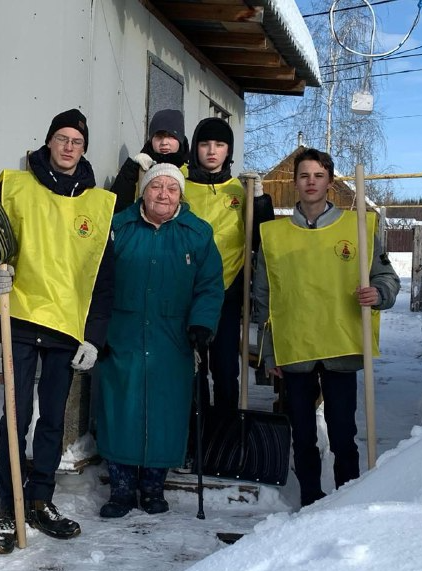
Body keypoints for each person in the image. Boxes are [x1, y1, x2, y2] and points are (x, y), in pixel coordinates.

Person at [0, 109, 116, 553]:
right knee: (16, 417)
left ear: (84, 148)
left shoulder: (98, 203)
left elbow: (103, 277)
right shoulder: (14, 185)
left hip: (65, 327)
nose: (69, 146)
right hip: (21, 314)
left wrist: (94, 334)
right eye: (62, 138)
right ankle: (7, 507)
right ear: (48, 142)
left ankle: (39, 499)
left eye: (76, 140)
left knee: (53, 418)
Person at [254, 148, 400, 507]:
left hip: (341, 347)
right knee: (302, 433)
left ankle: (346, 500)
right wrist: (269, 349)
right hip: (296, 349)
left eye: (318, 176)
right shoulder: (274, 236)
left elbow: (387, 278)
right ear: (295, 182)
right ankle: (310, 499)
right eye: (304, 176)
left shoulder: (358, 228)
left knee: (343, 433)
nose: (311, 182)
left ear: (330, 181)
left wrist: (378, 292)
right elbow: (264, 297)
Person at [96, 162, 224, 518]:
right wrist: (97, 331)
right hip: (122, 333)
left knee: (166, 409)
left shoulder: (197, 233)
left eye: (171, 188)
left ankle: (153, 488)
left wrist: (201, 324)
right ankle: (121, 490)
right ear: (144, 191)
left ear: (181, 194)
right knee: (120, 407)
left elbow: (210, 285)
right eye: (156, 186)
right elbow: (95, 280)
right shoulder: (118, 227)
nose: (163, 194)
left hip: (173, 338)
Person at [183, 117, 274, 462]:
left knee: (224, 369)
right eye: (205, 144)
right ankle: (193, 439)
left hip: (226, 292)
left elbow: (263, 241)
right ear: (196, 147)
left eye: (219, 145)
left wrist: (261, 202)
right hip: (184, 292)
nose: (211, 151)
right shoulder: (180, 185)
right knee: (191, 371)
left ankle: (223, 441)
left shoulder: (241, 191)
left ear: (229, 151)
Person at [110, 109, 189, 213]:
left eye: (171, 136)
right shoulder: (138, 169)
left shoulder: (190, 173)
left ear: (180, 140)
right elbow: (116, 208)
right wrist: (130, 171)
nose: (164, 142)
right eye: (159, 137)